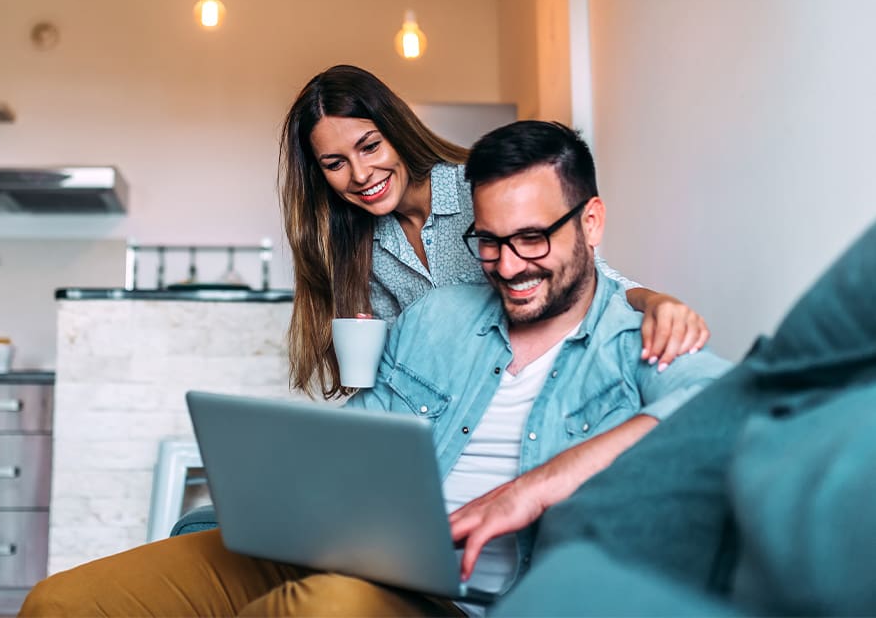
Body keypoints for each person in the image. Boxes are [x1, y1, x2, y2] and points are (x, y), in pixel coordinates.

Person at [18, 121, 731, 618]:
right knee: (63, 603)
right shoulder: (435, 319)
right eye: (488, 242)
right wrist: (283, 488)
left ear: (592, 221)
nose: (509, 267)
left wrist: (530, 491)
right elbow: (364, 440)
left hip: (456, 600)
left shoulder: (641, 335)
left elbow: (728, 405)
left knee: (326, 608)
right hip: (350, 555)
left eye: (532, 238)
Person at [281, 64, 709, 398]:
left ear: (396, 133)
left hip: (535, 386)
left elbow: (585, 277)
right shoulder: (360, 244)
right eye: (335, 163)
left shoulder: (478, 191)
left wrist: (655, 301)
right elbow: (395, 362)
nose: (360, 174)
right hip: (452, 414)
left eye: (370, 146)